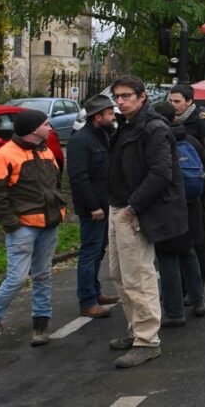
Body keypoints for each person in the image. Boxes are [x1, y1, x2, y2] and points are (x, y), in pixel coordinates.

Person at [107, 75, 188, 369]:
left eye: (126, 96)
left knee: (138, 277)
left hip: (134, 211)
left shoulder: (153, 129)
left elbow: (161, 174)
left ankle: (147, 341)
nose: (120, 101)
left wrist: (132, 208)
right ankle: (135, 330)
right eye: (117, 96)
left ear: (142, 97)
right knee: (119, 275)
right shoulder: (127, 126)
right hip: (119, 208)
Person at [0, 110, 66, 354]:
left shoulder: (45, 151)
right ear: (34, 129)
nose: (50, 128)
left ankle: (41, 325)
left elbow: (54, 183)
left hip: (48, 224)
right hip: (23, 228)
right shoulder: (2, 156)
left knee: (43, 274)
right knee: (16, 279)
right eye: (46, 124)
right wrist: (13, 224)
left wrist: (58, 212)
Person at [152, 101, 205, 326]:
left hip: (166, 207)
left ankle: (174, 311)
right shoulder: (190, 140)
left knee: (167, 259)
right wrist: (199, 198)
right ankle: (198, 301)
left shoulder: (157, 141)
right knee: (189, 254)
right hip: (191, 205)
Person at [67, 95, 120, 319]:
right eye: (109, 113)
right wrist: (93, 206)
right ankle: (87, 301)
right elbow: (79, 178)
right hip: (93, 209)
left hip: (105, 205)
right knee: (90, 252)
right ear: (97, 117)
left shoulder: (104, 136)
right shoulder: (81, 140)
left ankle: (94, 292)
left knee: (98, 251)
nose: (113, 116)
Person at [169, 83, 205, 285]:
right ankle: (181, 285)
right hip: (176, 196)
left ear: (189, 102)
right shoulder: (169, 122)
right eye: (170, 101)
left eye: (177, 101)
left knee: (197, 241)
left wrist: (203, 193)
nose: (173, 105)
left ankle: (198, 283)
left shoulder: (203, 123)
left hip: (195, 194)